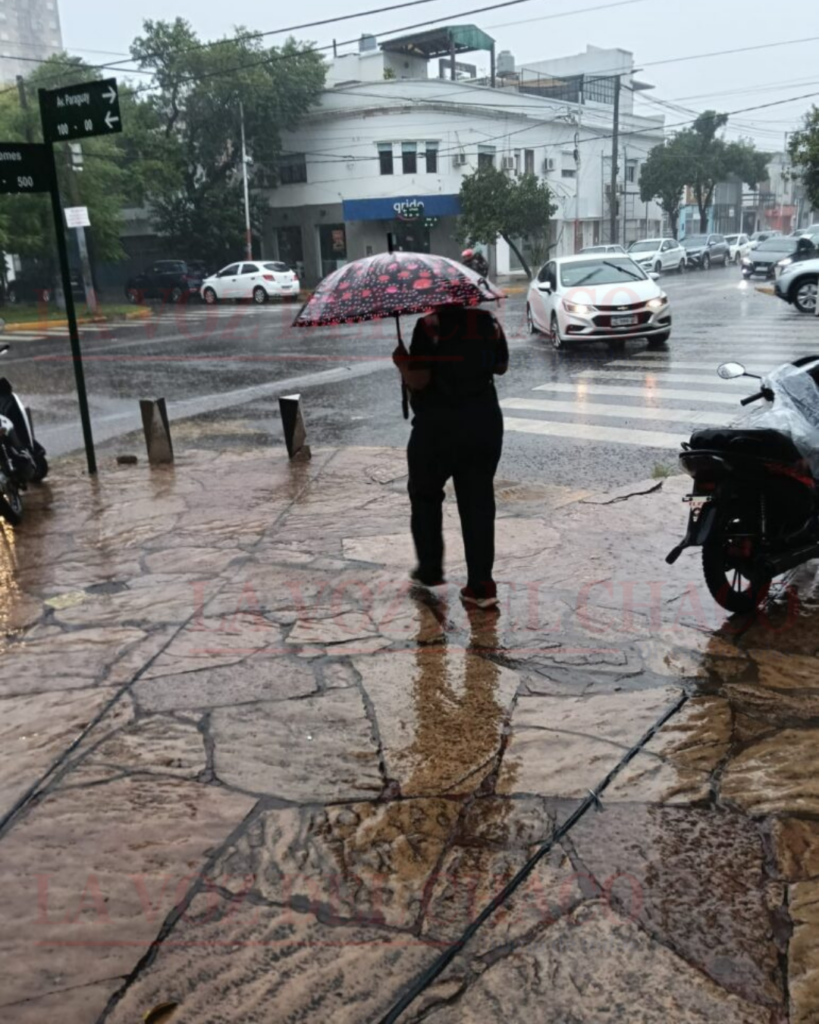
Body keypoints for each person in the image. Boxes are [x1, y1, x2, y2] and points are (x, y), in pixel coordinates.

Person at [393, 302, 508, 609]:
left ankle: (430, 570)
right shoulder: (489, 322)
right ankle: (481, 586)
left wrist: (402, 363)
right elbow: (501, 366)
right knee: (479, 501)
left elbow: (419, 380)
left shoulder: (430, 326)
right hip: (484, 424)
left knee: (425, 494)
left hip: (437, 429)